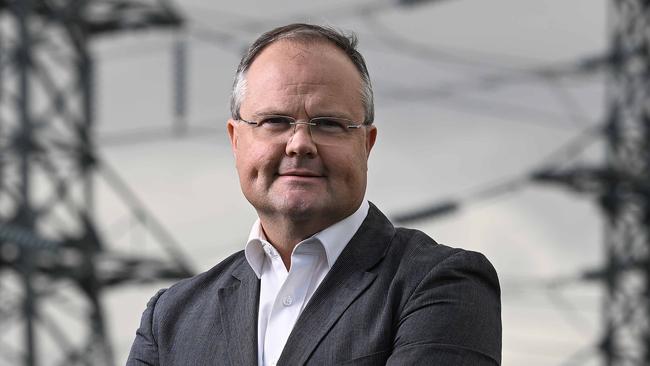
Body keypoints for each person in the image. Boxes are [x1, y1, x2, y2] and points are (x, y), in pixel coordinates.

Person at [127, 23, 501, 366]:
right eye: (275, 121)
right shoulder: (172, 319)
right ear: (236, 139)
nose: (300, 144)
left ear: (366, 144)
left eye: (328, 124)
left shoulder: (440, 284)